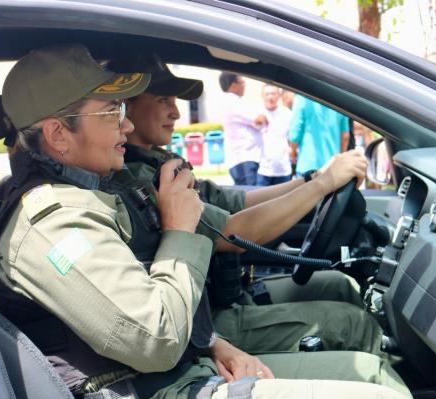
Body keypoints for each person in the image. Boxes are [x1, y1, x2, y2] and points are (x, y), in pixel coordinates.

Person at [0, 44, 411, 399]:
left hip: (183, 367)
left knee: (371, 375)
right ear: (58, 135)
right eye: (111, 112)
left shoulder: (97, 192)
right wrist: (179, 230)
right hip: (157, 385)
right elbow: (153, 338)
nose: (126, 125)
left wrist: (209, 343)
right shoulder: (51, 225)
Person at [108, 57, 379, 353]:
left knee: (341, 285)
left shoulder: (158, 163)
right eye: (163, 100)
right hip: (210, 326)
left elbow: (239, 201)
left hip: (223, 299)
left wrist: (313, 178)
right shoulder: (143, 182)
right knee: (355, 324)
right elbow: (236, 232)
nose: (175, 112)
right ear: (127, 107)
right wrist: (322, 185)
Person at [218, 72, 267, 185]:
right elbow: (258, 120)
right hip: (244, 159)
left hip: (244, 158)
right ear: (233, 84)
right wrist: (262, 117)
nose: (244, 85)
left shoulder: (232, 101)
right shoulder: (233, 101)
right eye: (242, 82)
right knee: (251, 198)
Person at [289, 94, 350, 176]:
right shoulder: (340, 101)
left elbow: (294, 134)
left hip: (307, 167)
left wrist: (293, 153)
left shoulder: (302, 98)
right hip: (332, 169)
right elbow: (345, 136)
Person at [256, 84, 293, 186]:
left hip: (283, 170)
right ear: (262, 96)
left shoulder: (287, 114)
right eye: (267, 94)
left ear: (279, 95)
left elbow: (292, 138)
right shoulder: (256, 113)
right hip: (263, 170)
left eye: (273, 93)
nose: (270, 97)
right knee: (260, 201)